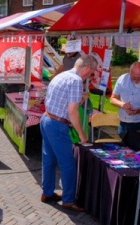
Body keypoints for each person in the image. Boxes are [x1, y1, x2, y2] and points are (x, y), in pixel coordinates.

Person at [40, 55, 97, 212]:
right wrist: (82, 134)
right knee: (68, 164)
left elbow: (62, 101)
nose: (90, 76)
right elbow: (72, 111)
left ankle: (47, 192)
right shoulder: (76, 81)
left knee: (49, 159)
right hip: (57, 125)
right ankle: (69, 200)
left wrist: (80, 99)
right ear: (86, 68)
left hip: (47, 119)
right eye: (91, 73)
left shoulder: (62, 75)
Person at [110, 62, 140, 138]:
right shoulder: (123, 79)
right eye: (134, 78)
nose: (136, 81)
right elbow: (112, 99)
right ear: (130, 72)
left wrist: (139, 111)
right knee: (124, 148)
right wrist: (122, 104)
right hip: (124, 123)